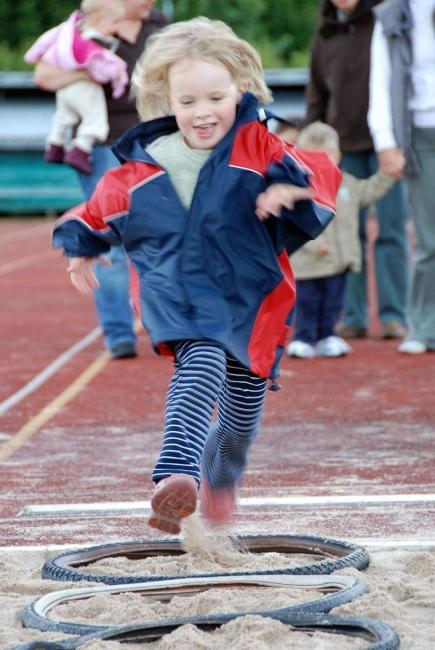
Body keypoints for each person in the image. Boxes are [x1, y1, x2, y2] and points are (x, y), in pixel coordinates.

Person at [51, 18, 340, 534]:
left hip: (250, 300)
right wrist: (81, 247)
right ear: (167, 101)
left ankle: (219, 482)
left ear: (241, 91)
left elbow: (319, 173)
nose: (202, 112)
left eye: (215, 97)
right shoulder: (144, 166)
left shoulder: (262, 151)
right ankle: (175, 477)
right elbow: (95, 209)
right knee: (201, 358)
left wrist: (289, 189)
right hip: (176, 293)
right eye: (188, 102)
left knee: (239, 420)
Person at [34, 0, 170, 359]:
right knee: (107, 240)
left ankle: (166, 329)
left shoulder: (160, 26)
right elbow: (43, 76)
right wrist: (88, 72)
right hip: (102, 147)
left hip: (153, 143)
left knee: (160, 236)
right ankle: (119, 334)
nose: (149, 2)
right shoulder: (84, 26)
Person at [305, 0, 409, 341]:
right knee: (346, 235)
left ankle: (394, 315)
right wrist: (311, 149)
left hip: (386, 148)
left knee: (391, 232)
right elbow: (316, 97)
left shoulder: (385, 23)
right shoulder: (324, 34)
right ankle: (352, 316)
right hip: (341, 152)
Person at [286, 122, 395, 358]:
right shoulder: (297, 187)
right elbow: (293, 221)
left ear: (337, 155)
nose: (320, 163)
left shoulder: (347, 184)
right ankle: (303, 337)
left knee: (333, 301)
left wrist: (387, 175)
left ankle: (327, 335)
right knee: (307, 302)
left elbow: (369, 191)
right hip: (308, 265)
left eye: (326, 156)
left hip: (339, 261)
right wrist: (314, 244)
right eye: (311, 157)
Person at [368, 0, 435, 354]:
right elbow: (381, 81)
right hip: (419, 135)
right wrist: (385, 141)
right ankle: (424, 328)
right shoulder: (391, 14)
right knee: (430, 241)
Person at [24, 0, 128, 174]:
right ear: (98, 19)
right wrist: (116, 73)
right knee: (95, 120)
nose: (117, 29)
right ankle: (80, 150)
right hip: (84, 89)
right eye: (115, 22)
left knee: (64, 115)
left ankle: (55, 146)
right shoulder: (94, 41)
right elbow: (98, 71)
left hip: (65, 89)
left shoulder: (70, 32)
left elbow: (43, 43)